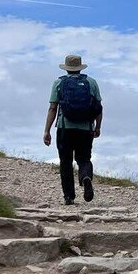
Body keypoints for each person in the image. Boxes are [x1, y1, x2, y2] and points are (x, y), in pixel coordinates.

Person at [42, 54, 103, 205]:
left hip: (65, 128)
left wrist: (47, 130)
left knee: (65, 161)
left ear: (67, 68)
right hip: (85, 128)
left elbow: (52, 108)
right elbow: (99, 108)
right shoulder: (92, 82)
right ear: (80, 67)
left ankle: (69, 196)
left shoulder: (59, 83)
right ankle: (85, 177)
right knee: (84, 159)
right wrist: (97, 127)